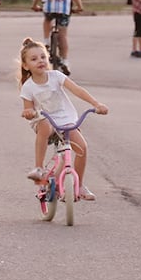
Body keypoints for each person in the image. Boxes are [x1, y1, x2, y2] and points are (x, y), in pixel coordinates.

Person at [18, 38, 108, 201]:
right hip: (44, 121)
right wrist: (28, 112)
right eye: (34, 59)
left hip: (65, 120)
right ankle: (39, 168)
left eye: (43, 57)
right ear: (26, 66)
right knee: (45, 125)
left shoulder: (56, 76)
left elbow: (77, 90)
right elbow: (28, 108)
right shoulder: (28, 87)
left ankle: (79, 185)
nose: (40, 61)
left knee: (82, 148)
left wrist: (96, 104)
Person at [31, 0, 83, 75]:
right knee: (63, 35)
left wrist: (34, 5)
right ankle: (65, 61)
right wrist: (80, 7)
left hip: (49, 7)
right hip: (64, 9)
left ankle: (46, 42)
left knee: (47, 19)